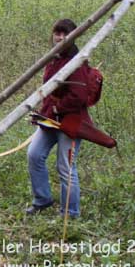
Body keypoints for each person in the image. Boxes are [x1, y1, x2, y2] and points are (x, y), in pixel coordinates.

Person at [26, 18, 90, 218]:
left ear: (73, 36)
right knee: (34, 155)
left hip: (70, 122)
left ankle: (70, 213)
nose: (60, 38)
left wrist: (56, 108)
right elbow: (49, 90)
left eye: (65, 34)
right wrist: (42, 114)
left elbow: (79, 96)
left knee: (65, 166)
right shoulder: (54, 58)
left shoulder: (77, 62)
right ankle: (42, 200)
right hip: (49, 120)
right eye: (57, 33)